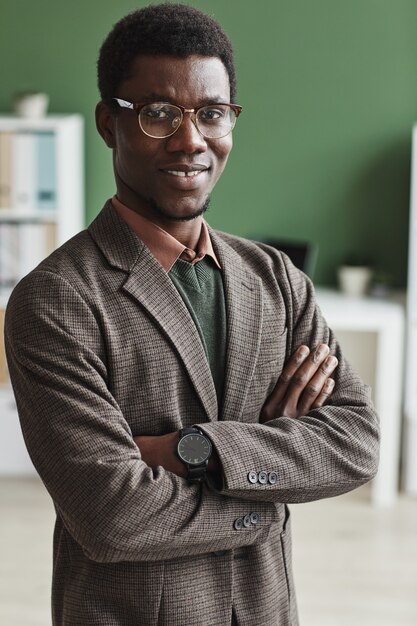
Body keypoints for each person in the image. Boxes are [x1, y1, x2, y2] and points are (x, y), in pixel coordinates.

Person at [4, 4, 379, 626]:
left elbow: (355, 443)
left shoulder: (276, 280)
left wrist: (194, 448)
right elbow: (113, 517)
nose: (190, 139)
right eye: (158, 114)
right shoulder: (56, 300)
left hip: (266, 610)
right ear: (108, 123)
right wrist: (270, 494)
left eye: (211, 114)